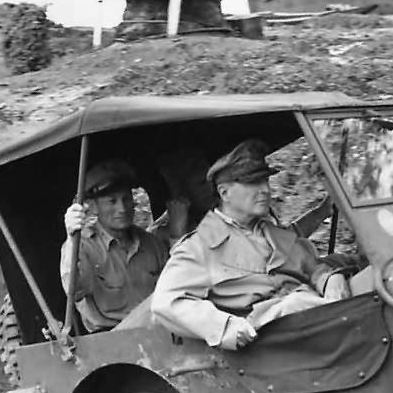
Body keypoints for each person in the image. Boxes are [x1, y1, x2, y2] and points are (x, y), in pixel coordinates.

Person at [150, 140, 351, 351]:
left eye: (265, 181)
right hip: (269, 344)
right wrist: (226, 327)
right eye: (252, 183)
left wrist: (329, 278)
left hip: (312, 324)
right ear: (224, 192)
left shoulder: (274, 233)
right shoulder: (200, 245)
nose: (265, 190)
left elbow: (312, 267)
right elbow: (167, 302)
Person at [61, 159, 189, 333]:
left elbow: (179, 288)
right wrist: (71, 237)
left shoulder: (151, 243)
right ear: (93, 207)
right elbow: (75, 291)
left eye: (127, 199)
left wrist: (177, 235)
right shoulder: (83, 246)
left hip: (161, 333)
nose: (122, 208)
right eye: (112, 201)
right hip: (111, 342)